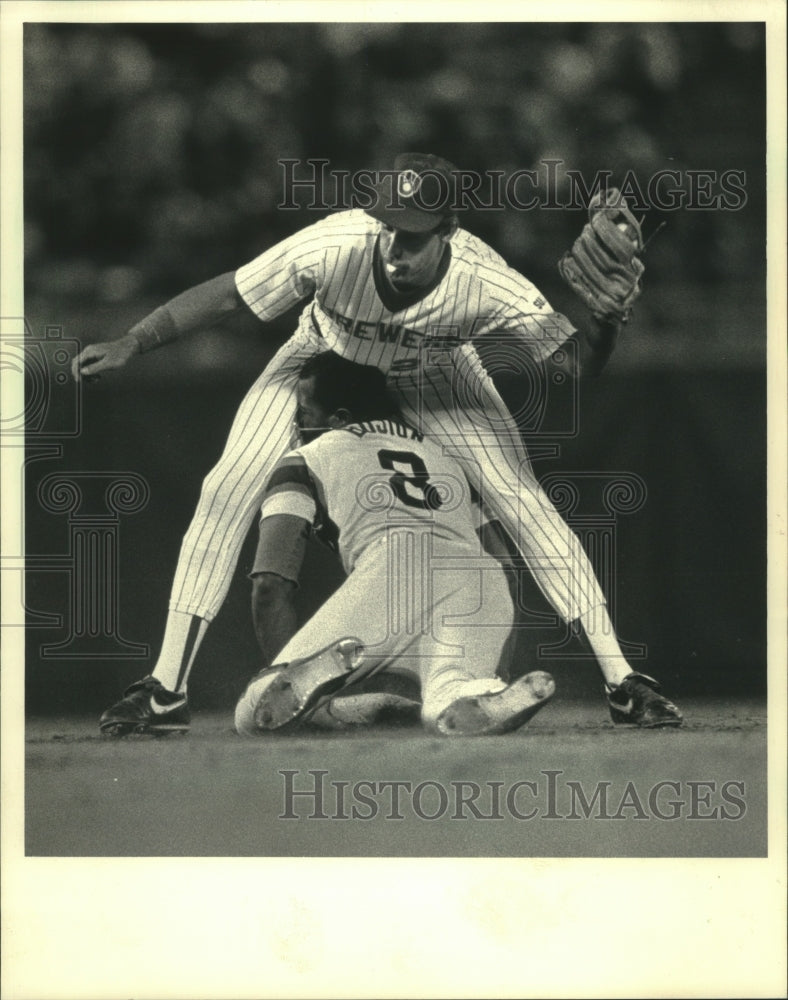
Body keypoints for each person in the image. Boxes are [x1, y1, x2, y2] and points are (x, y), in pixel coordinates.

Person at [79, 152, 682, 736]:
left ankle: (623, 681)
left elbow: (573, 365)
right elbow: (232, 293)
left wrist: (606, 324)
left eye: (413, 234)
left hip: (434, 370)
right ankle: (165, 688)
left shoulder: (486, 280)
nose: (394, 246)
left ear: (449, 229)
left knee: (519, 497)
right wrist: (135, 340)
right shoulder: (337, 243)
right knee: (227, 486)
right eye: (389, 225)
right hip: (324, 355)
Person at [234, 351, 556, 737]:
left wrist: (280, 670)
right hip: (477, 578)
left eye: (305, 412)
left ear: (339, 419)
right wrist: (495, 664)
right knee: (446, 700)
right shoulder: (449, 460)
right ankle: (482, 692)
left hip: (392, 569)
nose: (298, 422)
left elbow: (270, 583)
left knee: (251, 714)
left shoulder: (304, 458)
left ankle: (311, 692)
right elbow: (505, 567)